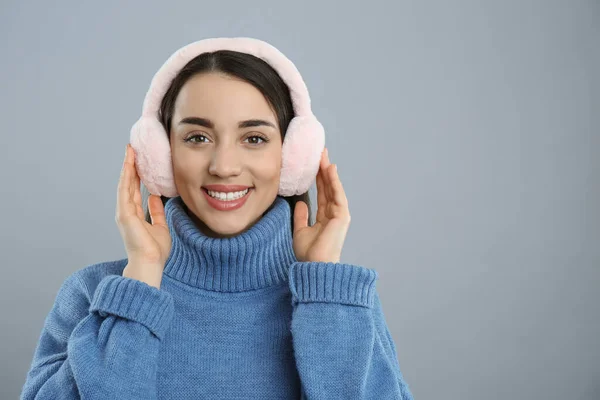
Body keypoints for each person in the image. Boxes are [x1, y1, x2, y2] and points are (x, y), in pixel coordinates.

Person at [20, 37, 414, 399]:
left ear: (293, 156)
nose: (224, 167)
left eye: (254, 138)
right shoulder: (94, 295)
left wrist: (324, 286)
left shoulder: (341, 302)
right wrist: (140, 284)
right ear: (160, 154)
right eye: (197, 137)